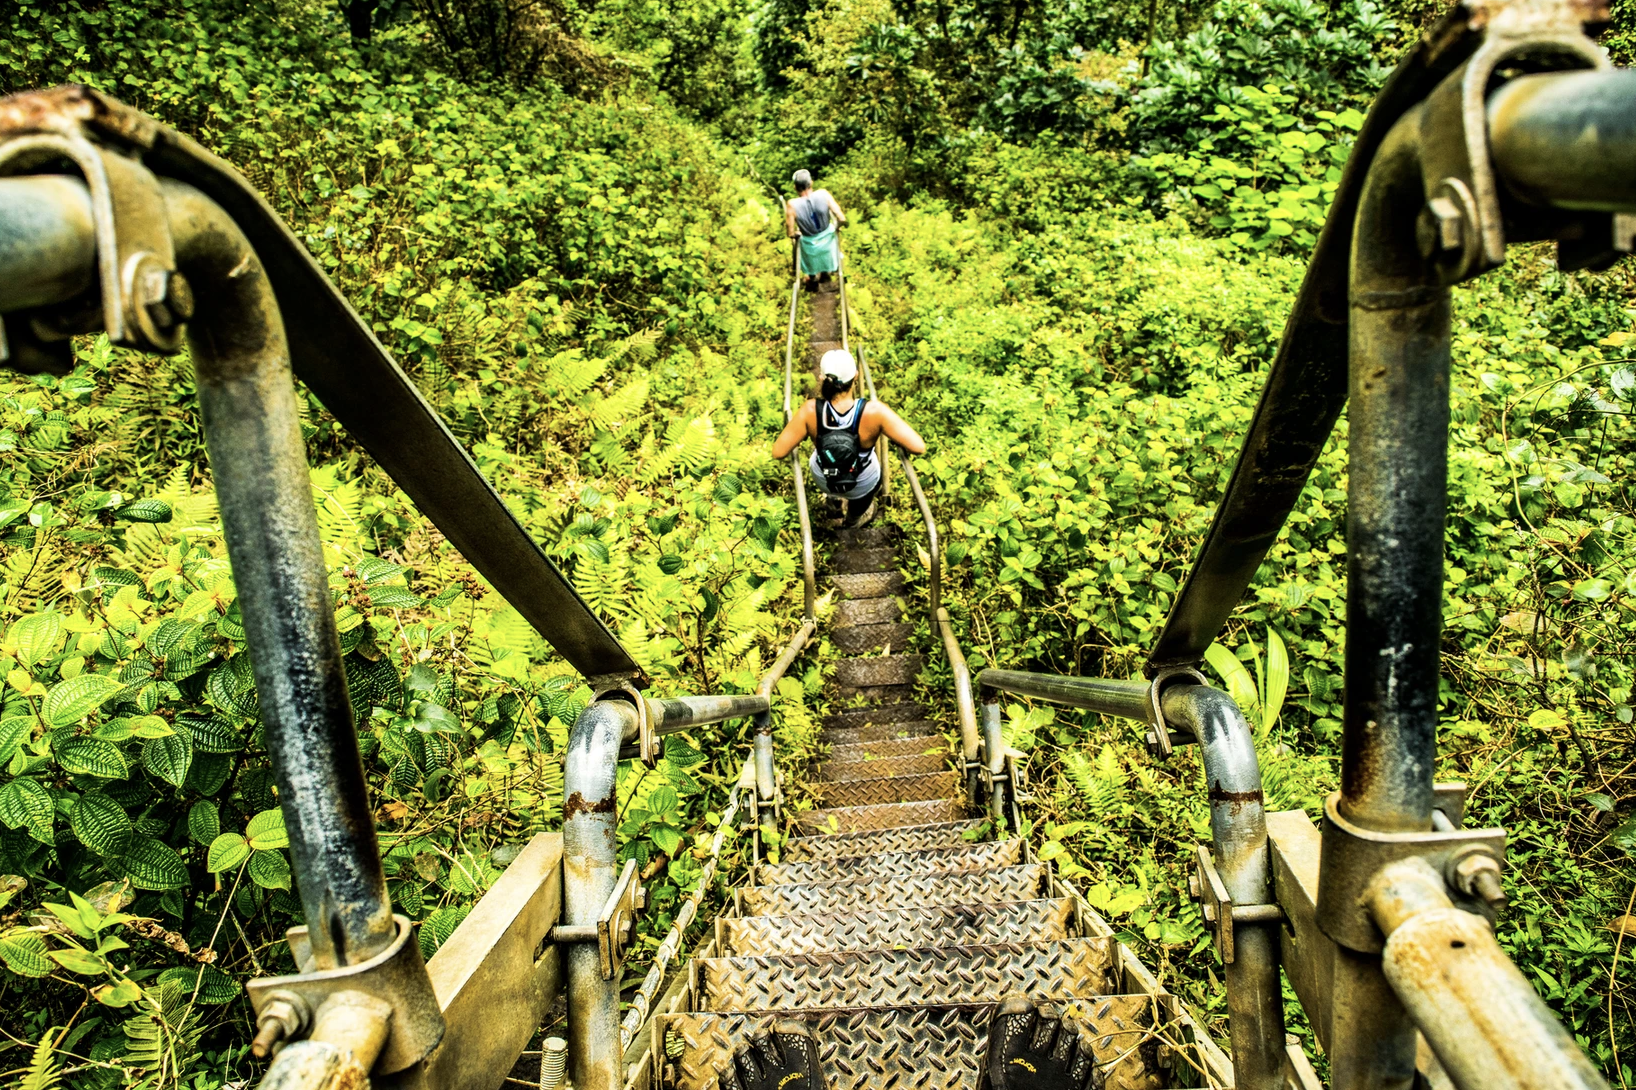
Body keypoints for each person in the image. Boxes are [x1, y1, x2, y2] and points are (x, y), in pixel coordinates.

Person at [771, 348, 925, 527]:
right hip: (861, 481)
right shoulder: (875, 412)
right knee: (868, 488)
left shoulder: (810, 410)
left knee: (825, 460)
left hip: (824, 478)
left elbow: (778, 452)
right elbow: (918, 447)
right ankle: (852, 521)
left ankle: (832, 498)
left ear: (822, 378)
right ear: (856, 376)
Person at [785, 169, 846, 291]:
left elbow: (790, 232)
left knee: (804, 243)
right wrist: (836, 227)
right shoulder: (823, 194)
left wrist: (796, 233)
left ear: (795, 187)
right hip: (828, 241)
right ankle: (826, 273)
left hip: (810, 245)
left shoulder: (792, 204)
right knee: (828, 239)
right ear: (811, 183)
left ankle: (812, 278)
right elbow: (841, 217)